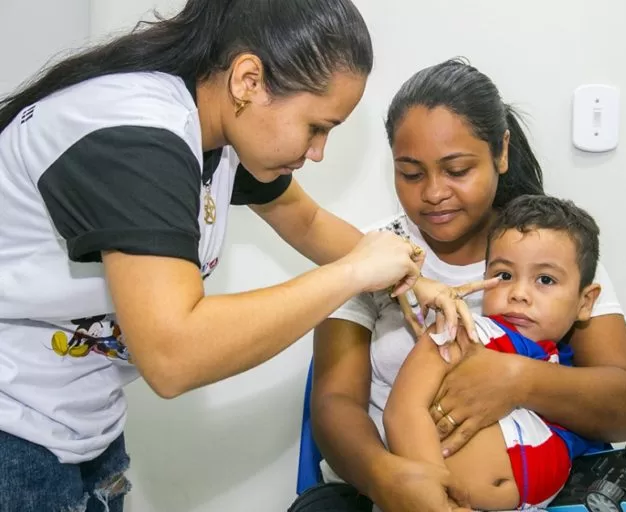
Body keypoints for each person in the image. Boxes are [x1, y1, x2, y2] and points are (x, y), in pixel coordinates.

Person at [0, 2, 481, 510]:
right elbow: (173, 355)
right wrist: (353, 274)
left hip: (80, 425)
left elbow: (308, 221)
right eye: (317, 127)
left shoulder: (220, 131)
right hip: (14, 424)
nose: (317, 152)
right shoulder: (135, 135)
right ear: (248, 80)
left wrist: (413, 277)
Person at [289, 59, 626, 512]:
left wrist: (517, 380)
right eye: (411, 173)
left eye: (457, 170)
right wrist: (388, 480)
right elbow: (334, 403)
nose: (434, 192)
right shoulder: (371, 255)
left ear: (500, 152)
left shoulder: (552, 251)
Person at [384, 194, 609, 511]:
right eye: (504, 275)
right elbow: (403, 411)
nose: (518, 294)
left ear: (584, 303)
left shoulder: (568, 378)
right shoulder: (461, 332)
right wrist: (432, 494)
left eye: (545, 279)